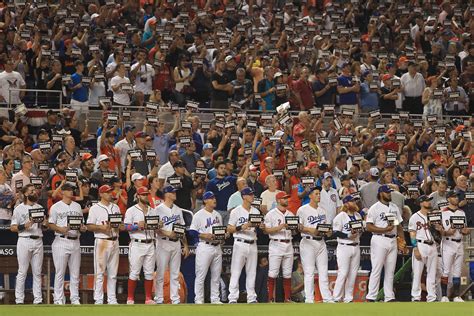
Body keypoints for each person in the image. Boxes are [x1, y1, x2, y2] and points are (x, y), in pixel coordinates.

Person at [365, 184, 404, 302]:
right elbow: (368, 227)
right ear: (381, 194)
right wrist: (384, 230)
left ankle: (389, 296)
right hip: (379, 239)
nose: (389, 194)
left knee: (390, 270)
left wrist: (402, 241)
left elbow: (399, 226)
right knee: (377, 269)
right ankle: (371, 296)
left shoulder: (394, 207)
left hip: (392, 239)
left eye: (390, 192)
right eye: (387, 192)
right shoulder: (374, 208)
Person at [48, 183, 85, 305]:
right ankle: (58, 299)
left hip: (75, 240)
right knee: (60, 272)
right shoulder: (56, 207)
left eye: (72, 189)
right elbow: (50, 224)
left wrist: (83, 228)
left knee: (75, 272)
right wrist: (61, 229)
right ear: (62, 192)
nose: (71, 192)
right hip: (61, 240)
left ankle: (75, 298)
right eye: (68, 190)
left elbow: (81, 224)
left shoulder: (77, 206)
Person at [152, 186, 189, 305]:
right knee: (161, 272)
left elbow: (181, 228)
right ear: (166, 194)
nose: (175, 194)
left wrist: (186, 245)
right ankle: (159, 298)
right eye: (173, 192)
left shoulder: (178, 210)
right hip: (163, 242)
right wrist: (168, 233)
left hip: (176, 243)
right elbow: (155, 228)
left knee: (175, 273)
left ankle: (175, 299)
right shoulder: (157, 209)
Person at [297, 186, 334, 303]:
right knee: (309, 271)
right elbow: (298, 227)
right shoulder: (302, 209)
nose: (318, 195)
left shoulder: (322, 210)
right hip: (308, 241)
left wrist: (328, 232)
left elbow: (326, 227)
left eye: (319, 194)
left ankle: (327, 298)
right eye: (316, 194)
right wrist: (310, 230)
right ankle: (309, 298)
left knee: (323, 271)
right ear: (310, 196)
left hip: (321, 241)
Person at [86, 185, 122, 305]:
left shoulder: (116, 207)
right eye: (107, 192)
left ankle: (112, 299)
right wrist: (100, 227)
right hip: (102, 241)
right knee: (100, 272)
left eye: (111, 192)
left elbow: (120, 225)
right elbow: (89, 226)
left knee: (113, 273)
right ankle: (98, 299)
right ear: (101, 194)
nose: (110, 194)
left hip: (115, 240)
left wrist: (119, 226)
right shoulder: (95, 208)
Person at [10, 184, 46, 305]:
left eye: (35, 190)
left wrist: (45, 223)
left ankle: (38, 300)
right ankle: (19, 300)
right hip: (24, 239)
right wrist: (24, 226)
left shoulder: (39, 207)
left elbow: (44, 227)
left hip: (38, 239)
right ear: (25, 194)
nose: (34, 192)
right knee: (22, 271)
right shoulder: (19, 208)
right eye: (31, 191)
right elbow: (13, 228)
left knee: (37, 272)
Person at [227, 187, 262, 304]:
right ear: (244, 197)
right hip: (240, 242)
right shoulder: (236, 211)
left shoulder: (256, 211)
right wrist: (240, 227)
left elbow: (260, 226)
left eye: (252, 194)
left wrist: (261, 226)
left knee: (252, 272)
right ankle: (232, 298)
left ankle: (251, 298)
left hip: (252, 242)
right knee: (236, 271)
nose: (252, 196)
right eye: (250, 195)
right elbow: (229, 228)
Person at [189, 191, 224, 304]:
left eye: (214, 198)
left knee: (216, 275)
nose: (214, 200)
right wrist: (203, 235)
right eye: (211, 198)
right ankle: (199, 299)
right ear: (205, 201)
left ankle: (215, 298)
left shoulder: (217, 215)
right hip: (204, 246)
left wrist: (223, 236)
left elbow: (220, 231)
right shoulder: (199, 215)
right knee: (201, 275)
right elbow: (192, 232)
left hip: (217, 247)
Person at [124, 186, 156, 305]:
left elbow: (156, 225)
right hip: (137, 243)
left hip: (150, 242)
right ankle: (130, 298)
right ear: (137, 196)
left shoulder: (152, 210)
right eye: (143, 194)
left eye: (146, 194)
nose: (145, 196)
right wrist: (137, 226)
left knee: (149, 272)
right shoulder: (131, 210)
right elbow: (125, 226)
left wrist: (159, 224)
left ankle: (148, 298)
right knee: (134, 272)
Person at [263, 191, 294, 303]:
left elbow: (294, 232)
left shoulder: (290, 214)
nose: (286, 200)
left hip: (288, 243)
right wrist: (280, 227)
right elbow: (266, 230)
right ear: (278, 200)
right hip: (276, 243)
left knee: (287, 273)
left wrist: (295, 228)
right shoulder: (271, 214)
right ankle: (270, 299)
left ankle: (287, 298)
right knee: (273, 273)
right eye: (284, 198)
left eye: (287, 198)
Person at [439, 191, 470, 302]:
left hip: (459, 242)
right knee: (446, 270)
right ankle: (444, 295)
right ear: (448, 199)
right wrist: (447, 232)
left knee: (457, 271)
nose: (456, 198)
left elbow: (465, 229)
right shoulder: (443, 212)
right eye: (453, 196)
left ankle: (456, 296)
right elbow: (440, 231)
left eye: (456, 196)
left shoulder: (461, 212)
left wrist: (465, 231)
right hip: (448, 242)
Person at [408, 195, 440, 303]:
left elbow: (438, 233)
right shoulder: (415, 217)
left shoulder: (434, 216)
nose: (429, 202)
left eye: (429, 200)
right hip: (420, 244)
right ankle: (416, 297)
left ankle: (431, 297)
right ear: (421, 203)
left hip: (432, 245)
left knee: (432, 273)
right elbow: (412, 234)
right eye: (426, 201)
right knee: (417, 273)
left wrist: (438, 228)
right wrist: (415, 248)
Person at [332, 195, 363, 303]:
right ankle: (336, 297)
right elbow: (335, 231)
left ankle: (348, 298)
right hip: (344, 246)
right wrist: (348, 235)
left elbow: (360, 229)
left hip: (356, 246)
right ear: (346, 203)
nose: (354, 203)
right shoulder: (340, 216)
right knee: (343, 272)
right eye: (352, 201)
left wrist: (358, 232)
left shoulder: (358, 215)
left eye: (354, 201)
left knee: (353, 274)